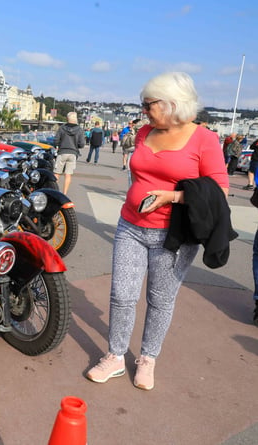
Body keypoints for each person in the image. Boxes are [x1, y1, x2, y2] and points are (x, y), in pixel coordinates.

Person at [85, 72, 230, 391]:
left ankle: (148, 358)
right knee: (122, 295)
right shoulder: (145, 132)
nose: (144, 111)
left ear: (172, 105)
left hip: (173, 235)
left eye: (148, 105)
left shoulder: (203, 139)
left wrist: (172, 196)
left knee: (160, 299)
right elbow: (140, 173)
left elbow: (220, 188)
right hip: (130, 226)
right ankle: (115, 356)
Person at [53, 112, 85, 195]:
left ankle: (54, 192)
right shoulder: (79, 129)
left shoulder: (62, 128)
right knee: (68, 174)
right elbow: (82, 144)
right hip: (73, 153)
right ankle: (64, 193)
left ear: (67, 118)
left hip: (62, 152)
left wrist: (58, 145)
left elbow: (56, 140)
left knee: (57, 173)